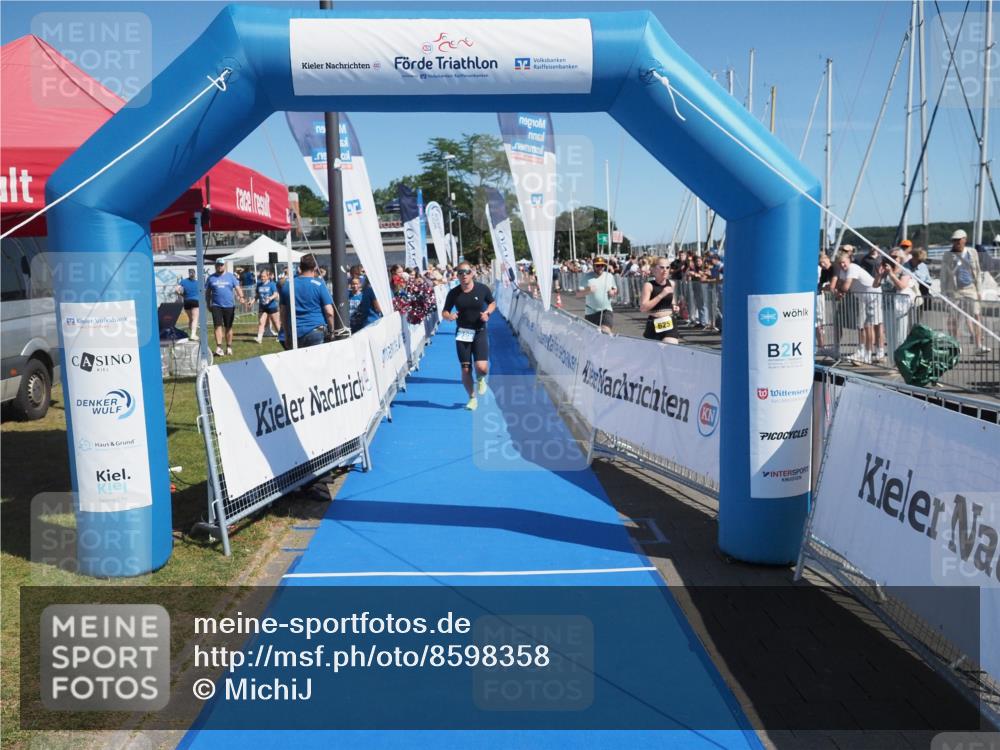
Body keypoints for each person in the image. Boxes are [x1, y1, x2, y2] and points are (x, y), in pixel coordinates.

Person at [441, 262, 495, 411]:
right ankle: (472, 398)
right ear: (457, 275)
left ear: (472, 273)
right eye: (460, 272)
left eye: (466, 272)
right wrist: (449, 316)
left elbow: (492, 303)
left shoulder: (482, 289)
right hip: (463, 333)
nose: (464, 275)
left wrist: (487, 313)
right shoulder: (453, 293)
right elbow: (444, 312)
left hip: (479, 331)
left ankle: (481, 378)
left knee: (482, 367)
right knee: (465, 369)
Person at [940, 229, 989, 355]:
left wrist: (979, 290)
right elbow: (943, 275)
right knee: (953, 318)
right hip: (954, 290)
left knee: (977, 316)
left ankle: (978, 345)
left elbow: (977, 272)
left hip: (970, 288)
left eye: (958, 240)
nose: (956, 242)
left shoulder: (972, 252)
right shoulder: (948, 255)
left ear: (964, 239)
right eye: (954, 240)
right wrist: (943, 293)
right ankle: (955, 346)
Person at [832, 249, 884, 365]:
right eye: (840, 263)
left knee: (869, 326)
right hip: (862, 298)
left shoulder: (853, 268)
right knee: (862, 326)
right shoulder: (842, 271)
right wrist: (837, 291)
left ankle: (869, 355)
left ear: (849, 260)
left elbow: (845, 287)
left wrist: (839, 291)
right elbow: (840, 285)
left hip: (873, 296)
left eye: (844, 262)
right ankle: (864, 352)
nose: (842, 265)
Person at [279, 253, 336, 349]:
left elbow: (283, 313)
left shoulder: (287, 285)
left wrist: (287, 334)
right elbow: (329, 312)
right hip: (316, 331)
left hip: (295, 333)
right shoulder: (319, 284)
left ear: (300, 267)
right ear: (315, 267)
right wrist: (332, 331)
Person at [874, 248, 917, 354]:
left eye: (895, 257)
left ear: (901, 258)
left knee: (900, 336)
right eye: (890, 256)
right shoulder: (885, 270)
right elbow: (875, 285)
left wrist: (891, 274)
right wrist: (879, 274)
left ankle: (899, 364)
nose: (892, 259)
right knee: (890, 337)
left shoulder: (904, 270)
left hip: (900, 308)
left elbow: (901, 286)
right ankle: (892, 362)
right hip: (887, 306)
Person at [205, 260, 243, 356]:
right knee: (217, 326)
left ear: (224, 266)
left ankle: (229, 347)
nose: (220, 267)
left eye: (221, 265)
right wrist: (208, 304)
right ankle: (219, 347)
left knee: (228, 327)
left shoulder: (231, 276)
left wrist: (241, 297)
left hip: (229, 306)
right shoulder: (211, 278)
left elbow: (238, 288)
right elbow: (207, 292)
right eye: (218, 265)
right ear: (215, 266)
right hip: (216, 305)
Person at [639, 257, 681, 344]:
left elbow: (672, 301)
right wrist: (661, 295)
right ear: (654, 270)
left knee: (671, 348)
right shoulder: (649, 285)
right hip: (654, 322)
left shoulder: (671, 284)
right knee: (654, 355)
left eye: (667, 267)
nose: (665, 270)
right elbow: (643, 308)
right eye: (661, 267)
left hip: (669, 322)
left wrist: (675, 307)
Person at [582, 257, 617, 333]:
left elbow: (615, 289)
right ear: (593, 266)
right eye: (598, 266)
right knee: (592, 335)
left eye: (602, 265)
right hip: (590, 312)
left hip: (606, 310)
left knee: (605, 331)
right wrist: (587, 290)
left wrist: (613, 291)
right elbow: (578, 293)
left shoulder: (609, 276)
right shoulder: (587, 277)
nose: (600, 267)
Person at [254, 269, 280, 344]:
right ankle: (259, 338)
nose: (262, 278)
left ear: (268, 276)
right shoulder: (259, 284)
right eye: (261, 276)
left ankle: (281, 336)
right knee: (261, 322)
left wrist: (270, 298)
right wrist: (252, 301)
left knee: (276, 323)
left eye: (264, 276)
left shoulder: (272, 284)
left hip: (272, 306)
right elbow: (257, 295)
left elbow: (275, 294)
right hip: (262, 307)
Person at [176, 268, 201, 341]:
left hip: (186, 301)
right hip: (195, 301)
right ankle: (193, 334)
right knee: (195, 319)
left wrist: (182, 295)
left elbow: (176, 290)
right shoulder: (198, 282)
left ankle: (192, 333)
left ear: (189, 273)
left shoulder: (183, 281)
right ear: (195, 274)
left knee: (191, 319)